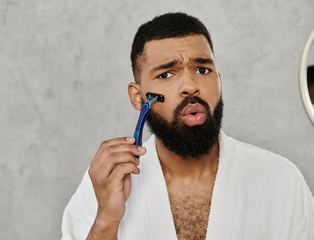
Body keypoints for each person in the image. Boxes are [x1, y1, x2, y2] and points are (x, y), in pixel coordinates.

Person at [61, 13, 314, 240]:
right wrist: (106, 219)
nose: (190, 86)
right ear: (138, 97)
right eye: (166, 74)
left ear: (220, 83)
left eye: (202, 69)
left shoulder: (281, 180)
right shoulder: (104, 183)